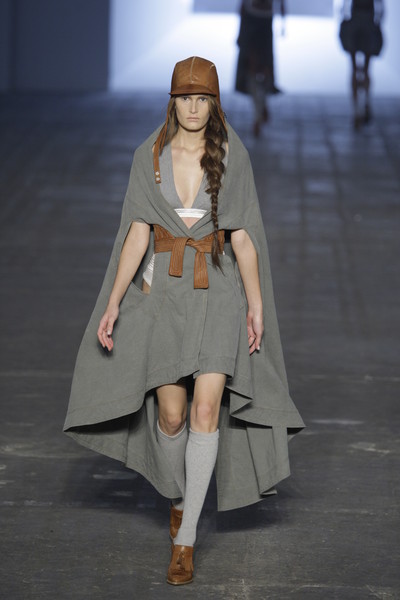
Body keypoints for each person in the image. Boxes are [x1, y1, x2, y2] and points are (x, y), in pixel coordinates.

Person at [63, 56, 304, 586]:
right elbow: (136, 233)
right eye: (184, 98)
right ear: (172, 103)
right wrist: (113, 302)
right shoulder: (147, 156)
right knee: (171, 418)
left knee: (205, 409)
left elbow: (244, 236)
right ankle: (179, 496)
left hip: (218, 293)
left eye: (202, 98)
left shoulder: (232, 155)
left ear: (214, 104)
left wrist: (256, 305)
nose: (193, 108)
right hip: (164, 299)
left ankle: (185, 538)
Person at [235, 0, 285, 137]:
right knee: (253, 67)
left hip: (263, 19)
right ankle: (258, 112)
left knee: (263, 68)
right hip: (252, 18)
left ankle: (261, 106)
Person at [339, 0, 384, 129]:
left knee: (356, 69)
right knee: (365, 69)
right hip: (366, 21)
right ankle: (363, 105)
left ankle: (358, 110)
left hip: (359, 21)